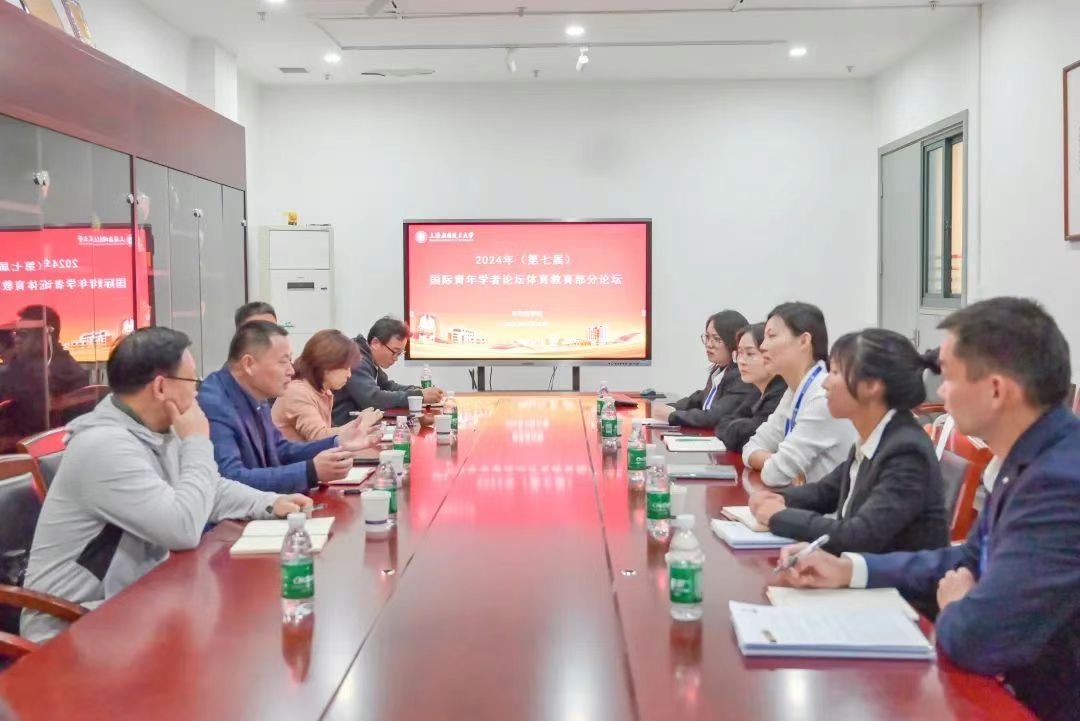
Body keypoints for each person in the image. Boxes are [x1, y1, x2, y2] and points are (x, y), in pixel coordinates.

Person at [777, 298, 1080, 721]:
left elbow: (978, 637)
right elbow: (967, 558)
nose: (941, 392)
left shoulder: (1059, 480)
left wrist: (954, 604)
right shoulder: (1026, 458)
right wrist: (849, 570)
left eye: (950, 377)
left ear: (996, 390)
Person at [20, 327, 312, 643]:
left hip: (133, 605)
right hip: (72, 626)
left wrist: (269, 503)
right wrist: (197, 441)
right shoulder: (105, 446)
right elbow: (181, 529)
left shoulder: (154, 430)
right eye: (192, 381)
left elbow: (208, 488)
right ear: (161, 387)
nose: (198, 391)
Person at [748, 328, 948, 555]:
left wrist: (778, 516)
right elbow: (825, 492)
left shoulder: (906, 451)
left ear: (871, 386)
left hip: (888, 577)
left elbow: (859, 536)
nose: (825, 383)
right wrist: (778, 498)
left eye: (835, 372)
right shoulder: (875, 435)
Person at [199, 321, 378, 494]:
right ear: (249, 364)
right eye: (283, 362)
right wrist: (310, 471)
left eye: (290, 361)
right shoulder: (216, 404)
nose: (291, 370)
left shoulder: (256, 394)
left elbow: (280, 449)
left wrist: (337, 442)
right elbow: (231, 480)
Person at [742, 302, 856, 486]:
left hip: (826, 504)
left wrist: (775, 465)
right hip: (801, 498)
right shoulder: (794, 390)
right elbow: (751, 446)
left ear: (804, 341)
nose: (762, 346)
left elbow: (774, 475)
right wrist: (775, 461)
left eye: (772, 336)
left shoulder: (823, 396)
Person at [0, 306, 91, 447]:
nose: (16, 339)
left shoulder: (58, 372)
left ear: (46, 336)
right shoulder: (22, 365)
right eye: (15, 333)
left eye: (23, 334)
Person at [651, 310, 759, 429]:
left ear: (734, 342)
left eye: (716, 339)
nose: (709, 344)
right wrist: (672, 407)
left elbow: (714, 417)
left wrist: (672, 415)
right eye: (707, 337)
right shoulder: (720, 370)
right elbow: (700, 398)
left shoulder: (742, 377)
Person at [272, 329, 383, 442]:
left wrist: (359, 423)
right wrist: (360, 424)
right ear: (326, 365)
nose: (349, 374)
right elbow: (319, 437)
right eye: (346, 368)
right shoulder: (298, 392)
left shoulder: (324, 391)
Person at [332, 317, 444, 422]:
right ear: (375, 343)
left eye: (399, 354)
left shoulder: (368, 358)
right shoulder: (357, 359)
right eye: (395, 352)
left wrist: (418, 390)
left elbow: (387, 386)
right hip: (343, 426)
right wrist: (419, 395)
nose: (395, 358)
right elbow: (373, 399)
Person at [716, 323, 787, 451]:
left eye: (750, 353)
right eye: (739, 353)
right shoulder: (756, 391)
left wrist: (734, 430)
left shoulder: (781, 393)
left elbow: (744, 436)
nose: (741, 361)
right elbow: (723, 423)